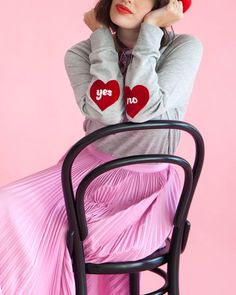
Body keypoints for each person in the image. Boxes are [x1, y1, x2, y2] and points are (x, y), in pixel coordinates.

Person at [0, 0, 203, 294]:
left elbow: (141, 108)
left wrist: (150, 30)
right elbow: (107, 113)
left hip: (147, 188)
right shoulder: (81, 52)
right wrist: (102, 43)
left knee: (73, 234)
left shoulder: (183, 48)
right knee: (6, 207)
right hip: (88, 173)